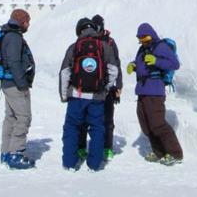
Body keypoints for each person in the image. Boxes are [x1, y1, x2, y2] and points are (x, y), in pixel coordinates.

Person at [59, 17, 118, 171]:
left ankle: (69, 163)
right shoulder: (104, 46)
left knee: (72, 128)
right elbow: (113, 70)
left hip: (76, 96)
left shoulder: (74, 47)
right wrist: (105, 89)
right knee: (97, 129)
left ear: (79, 30)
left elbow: (65, 72)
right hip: (97, 97)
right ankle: (94, 165)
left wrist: (65, 94)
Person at [127, 23, 183, 166]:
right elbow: (142, 65)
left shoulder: (160, 47)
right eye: (140, 39)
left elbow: (175, 64)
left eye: (144, 38)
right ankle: (159, 152)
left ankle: (175, 153)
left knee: (158, 124)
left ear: (150, 34)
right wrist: (133, 65)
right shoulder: (142, 49)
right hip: (142, 91)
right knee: (146, 125)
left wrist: (156, 60)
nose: (142, 41)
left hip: (155, 91)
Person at [78, 14, 122, 162]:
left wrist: (118, 86)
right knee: (85, 118)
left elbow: (116, 64)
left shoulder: (110, 42)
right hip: (89, 86)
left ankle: (107, 147)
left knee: (107, 119)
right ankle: (82, 146)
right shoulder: (87, 41)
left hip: (107, 86)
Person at [0, 9, 36, 170]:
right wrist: (22, 83)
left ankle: (6, 152)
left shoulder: (9, 35)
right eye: (27, 21)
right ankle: (16, 153)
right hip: (15, 84)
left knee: (11, 117)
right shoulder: (14, 37)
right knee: (23, 117)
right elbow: (14, 62)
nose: (29, 24)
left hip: (8, 83)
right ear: (21, 21)